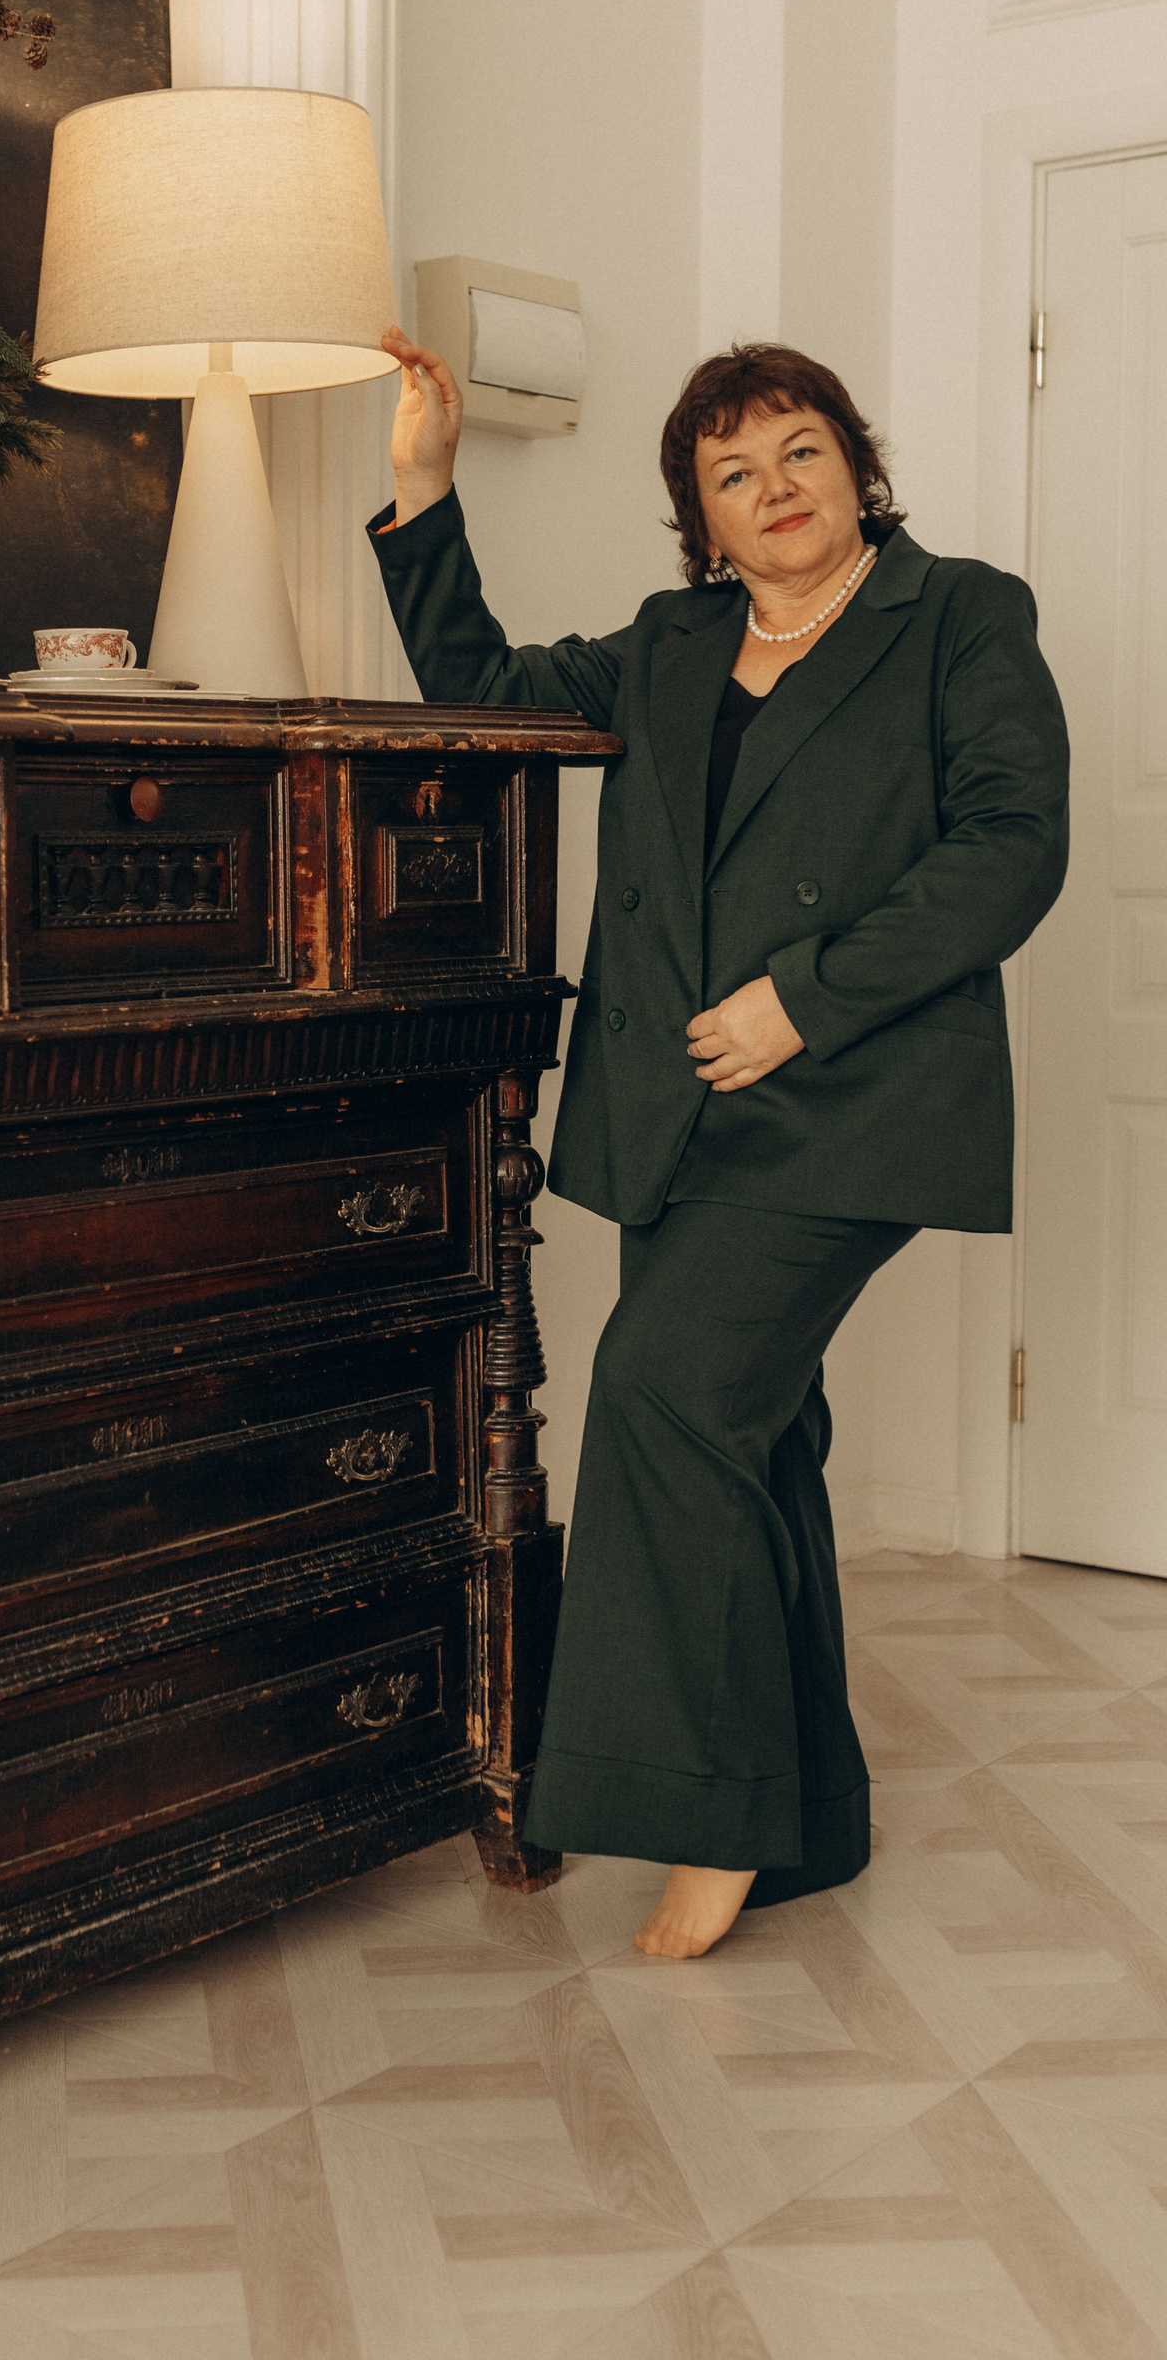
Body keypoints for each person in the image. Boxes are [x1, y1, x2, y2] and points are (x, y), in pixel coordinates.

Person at [369, 330, 1069, 1957]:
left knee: (662, 1398)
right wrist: (424, 490)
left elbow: (1011, 850)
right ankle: (805, 1816)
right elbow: (491, 695)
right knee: (755, 1440)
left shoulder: (961, 614)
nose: (776, 488)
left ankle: (710, 1821)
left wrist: (800, 1004)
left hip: (851, 1097)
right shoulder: (674, 642)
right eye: (733, 472)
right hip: (681, 1111)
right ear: (703, 519)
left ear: (856, 466)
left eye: (801, 450)